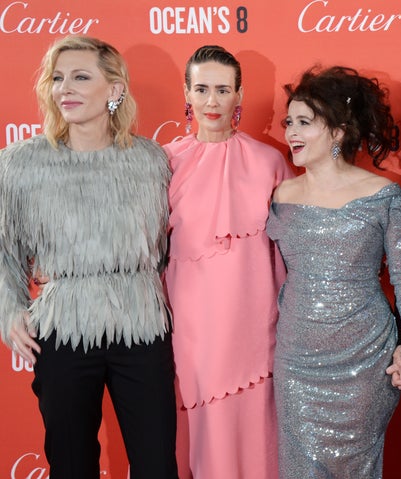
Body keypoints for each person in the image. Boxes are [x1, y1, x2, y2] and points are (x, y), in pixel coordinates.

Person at [0, 36, 178, 479]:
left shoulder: (152, 161)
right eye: (58, 78)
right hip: (63, 327)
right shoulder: (19, 164)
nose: (66, 89)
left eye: (81, 77)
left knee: (156, 463)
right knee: (71, 462)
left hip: (142, 323)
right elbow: (3, 247)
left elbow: (172, 248)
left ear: (114, 90)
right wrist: (10, 309)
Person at [266, 66, 401, 478]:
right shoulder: (283, 195)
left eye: (304, 122)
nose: (291, 133)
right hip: (297, 360)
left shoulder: (383, 196)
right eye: (289, 122)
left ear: (338, 132)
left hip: (366, 359)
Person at [163, 45, 293, 479]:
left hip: (255, 328)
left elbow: (294, 251)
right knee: (196, 435)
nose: (212, 101)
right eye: (202, 89)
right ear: (186, 93)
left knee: (253, 438)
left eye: (223, 89)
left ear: (240, 95)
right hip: (188, 330)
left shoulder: (269, 161)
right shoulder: (163, 162)